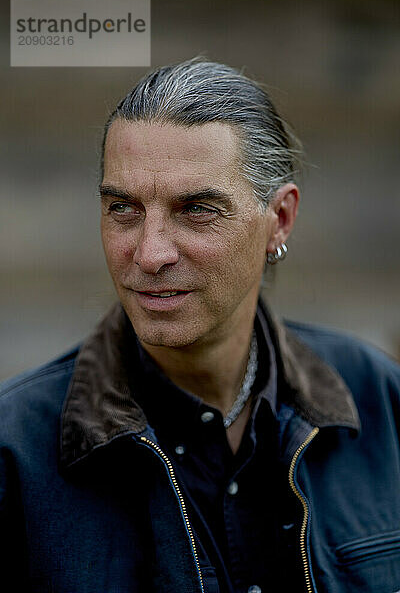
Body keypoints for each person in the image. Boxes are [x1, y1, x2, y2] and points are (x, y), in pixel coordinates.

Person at [1, 58, 399, 593]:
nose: (149, 253)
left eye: (196, 209)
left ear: (278, 219)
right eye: (124, 208)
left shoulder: (380, 401)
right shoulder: (15, 450)